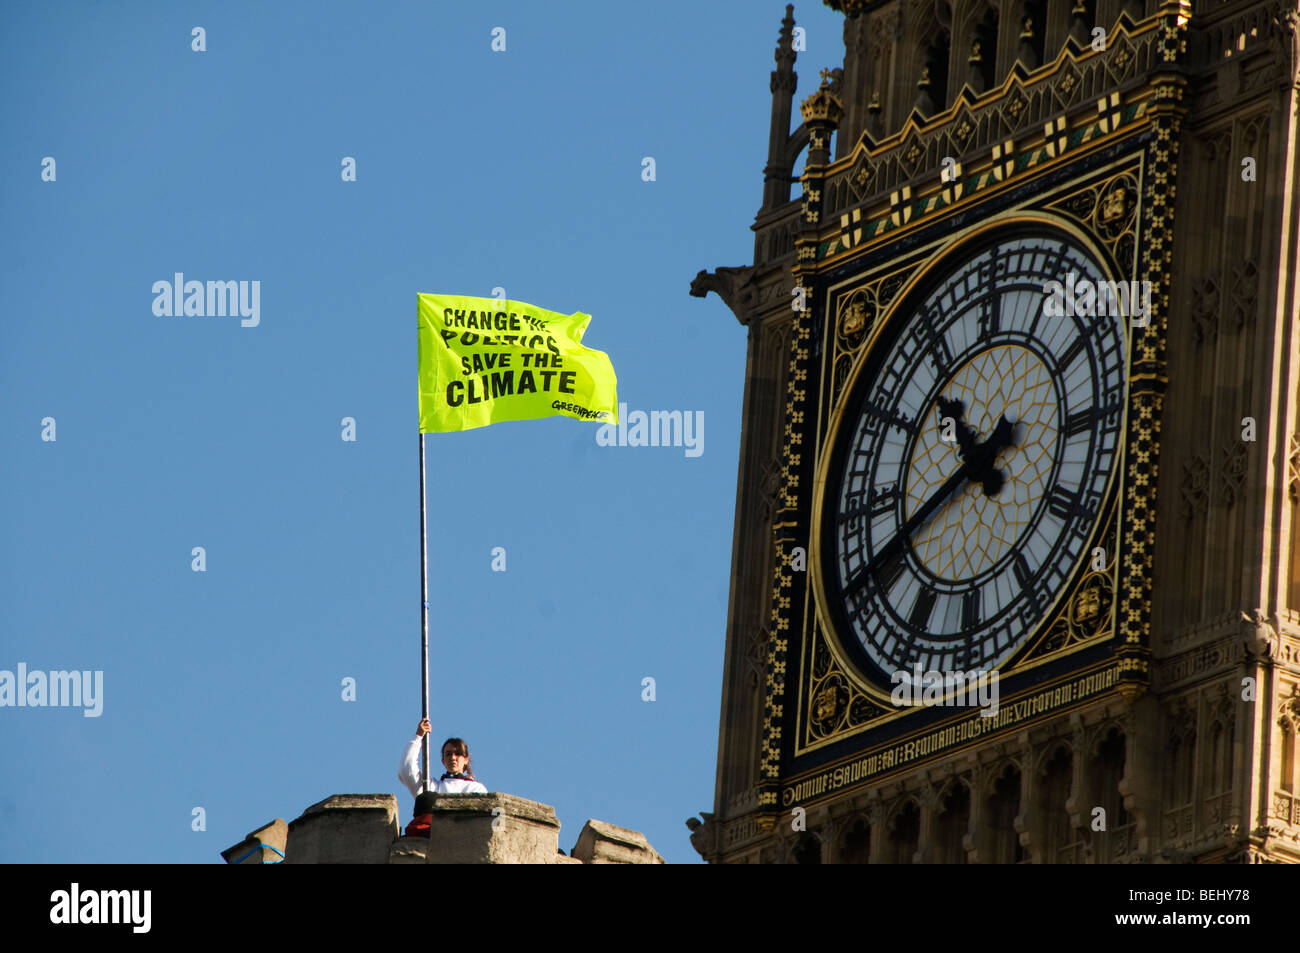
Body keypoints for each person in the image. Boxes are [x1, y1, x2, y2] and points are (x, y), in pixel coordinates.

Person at [398, 718, 488, 799]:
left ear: (466, 759)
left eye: (458, 753)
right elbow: (406, 769)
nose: (453, 757)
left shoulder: (475, 788)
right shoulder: (432, 788)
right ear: (443, 761)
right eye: (448, 754)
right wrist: (418, 736)